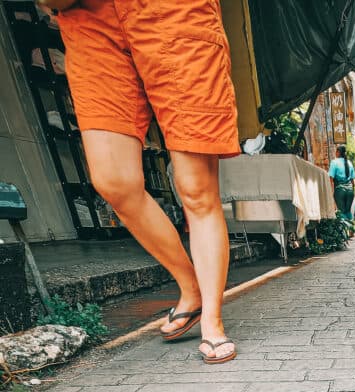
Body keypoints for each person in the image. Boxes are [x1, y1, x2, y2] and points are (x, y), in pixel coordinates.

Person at [51, 0, 240, 364]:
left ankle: (211, 319)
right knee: (113, 181)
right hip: (89, 20)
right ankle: (191, 287)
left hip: (172, 11)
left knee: (197, 189)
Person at [329, 144, 355, 221]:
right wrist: (352, 191)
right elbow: (352, 180)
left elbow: (331, 178)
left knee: (342, 213)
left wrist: (331, 191)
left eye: (336, 151)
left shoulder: (334, 162)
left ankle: (345, 228)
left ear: (338, 152)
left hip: (340, 190)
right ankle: (351, 228)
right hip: (350, 191)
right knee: (348, 212)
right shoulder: (349, 163)